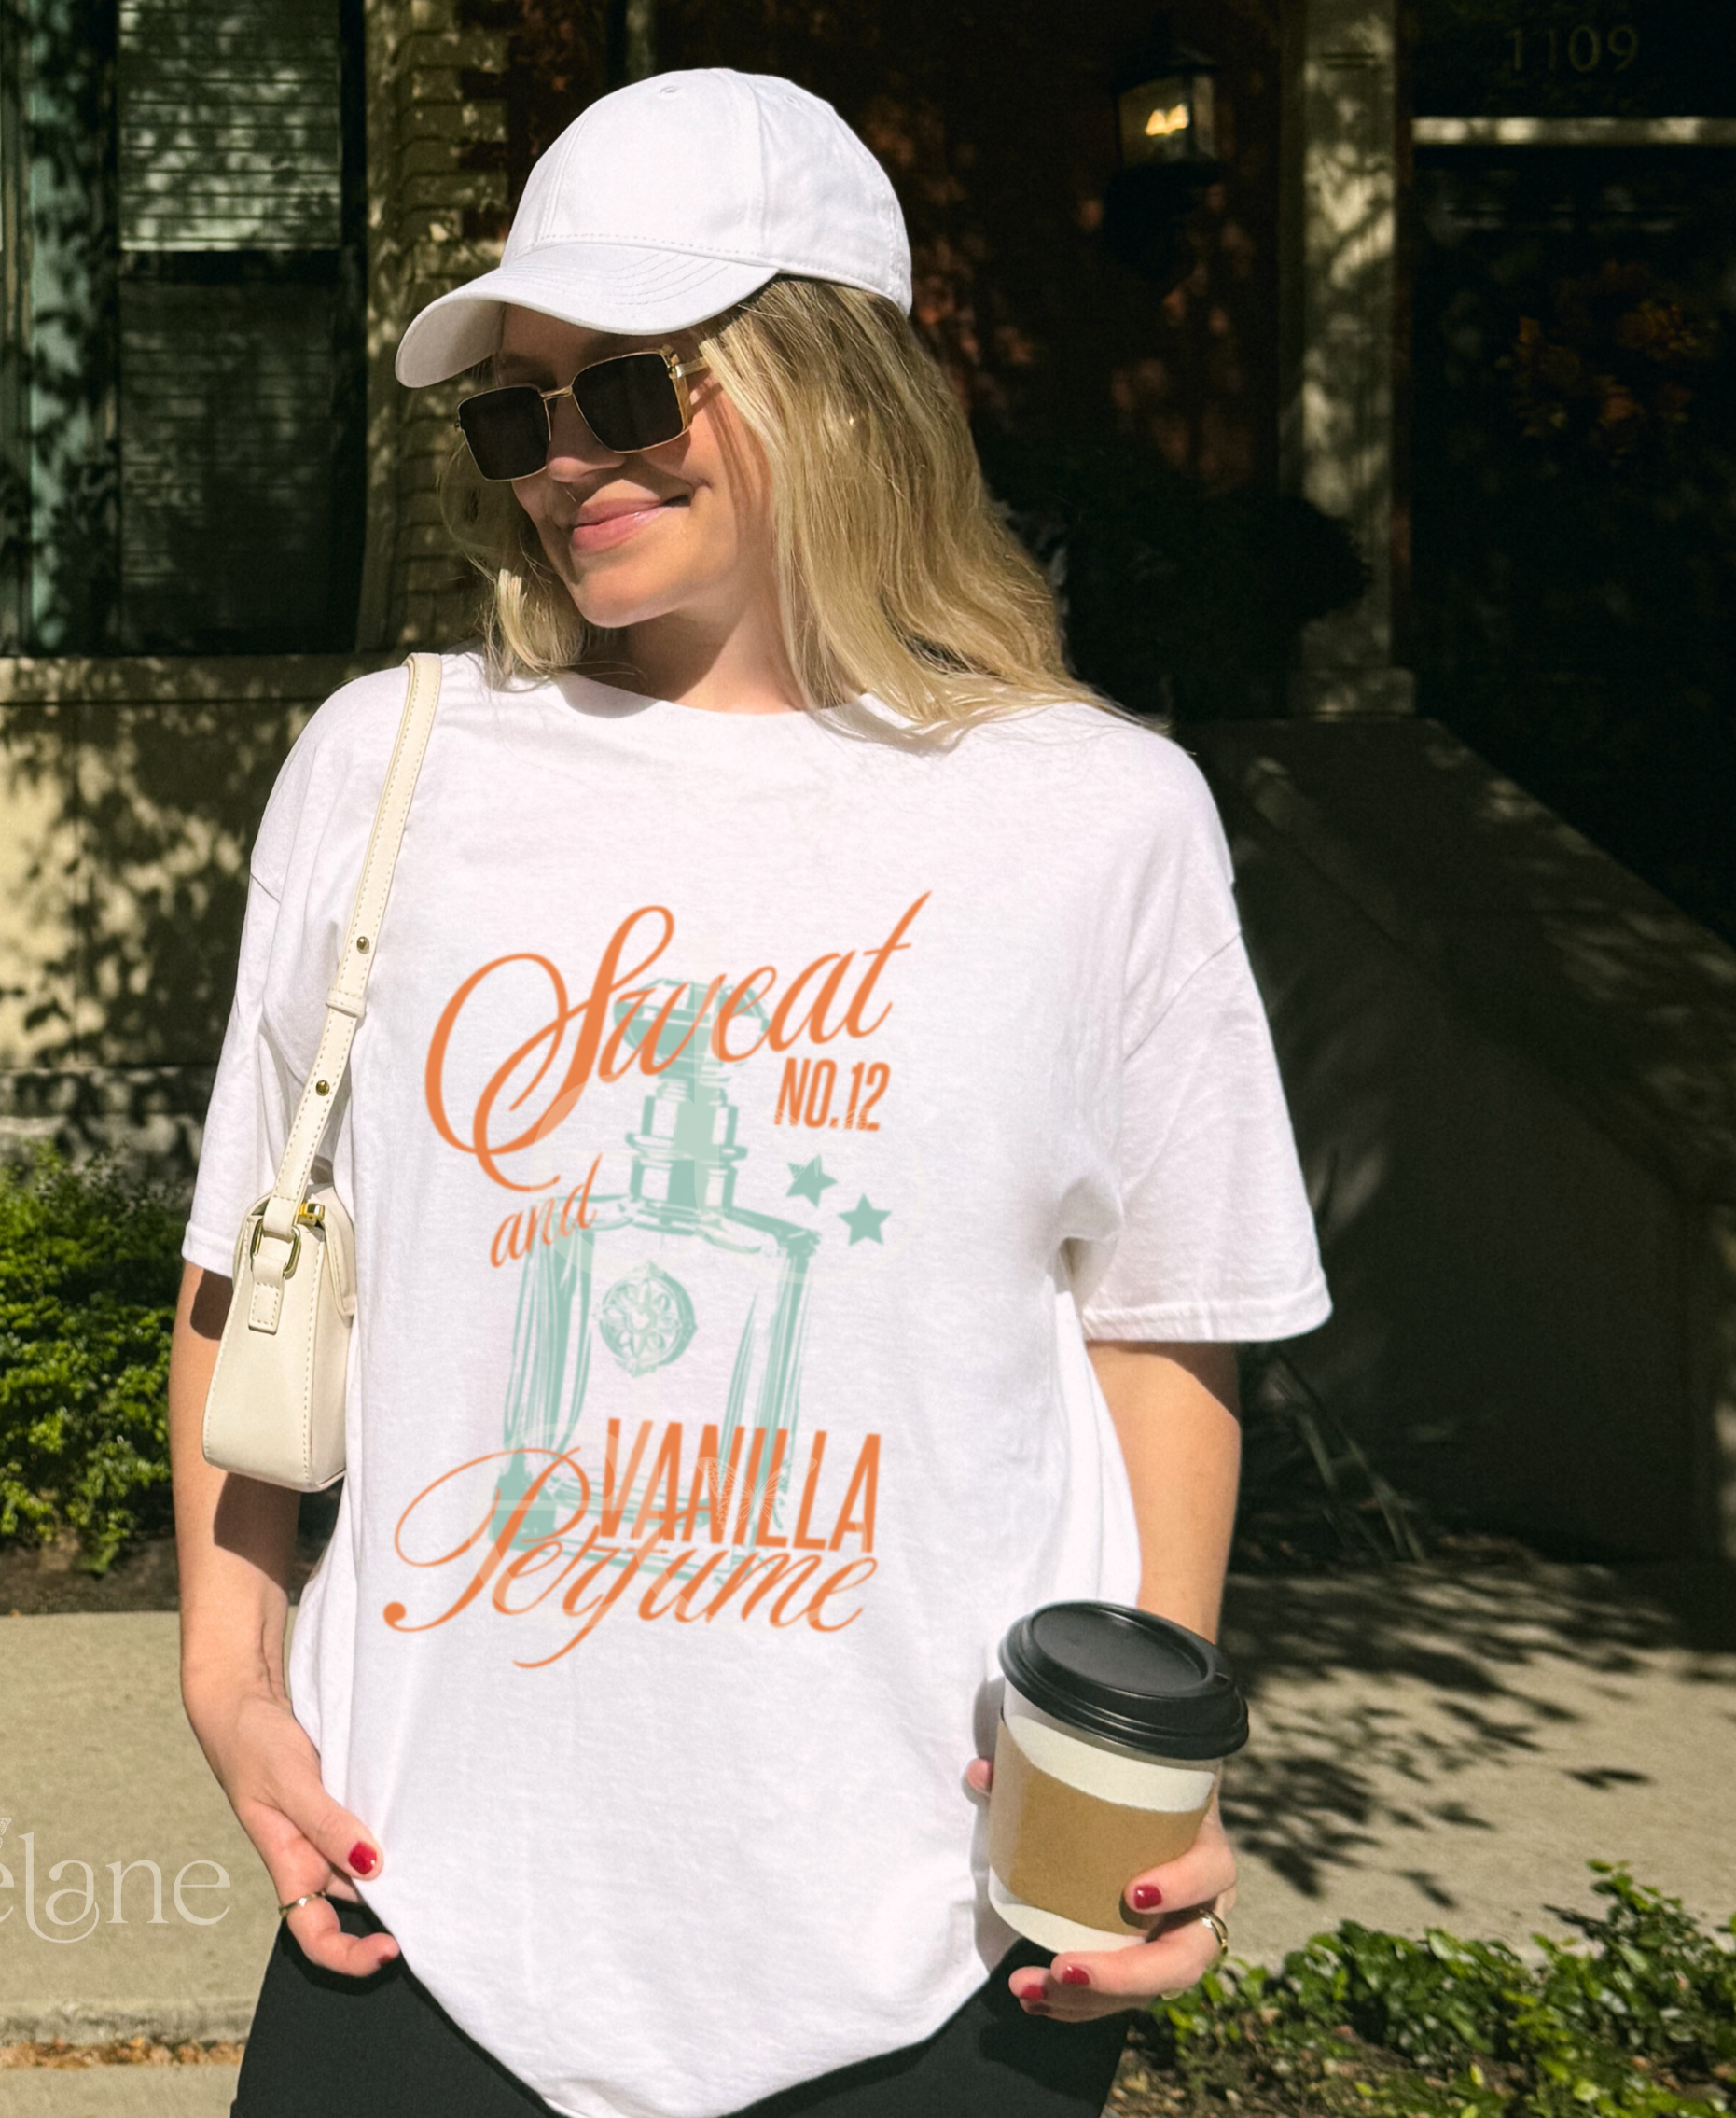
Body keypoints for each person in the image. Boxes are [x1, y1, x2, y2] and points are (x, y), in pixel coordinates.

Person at [171, 67, 1329, 2118]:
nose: (562, 465)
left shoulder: (1092, 816)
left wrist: (1138, 1797)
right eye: (517, 413)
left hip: (927, 1949)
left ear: (833, 384)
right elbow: (247, 1256)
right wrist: (227, 1666)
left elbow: (1163, 1333)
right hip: (425, 1919)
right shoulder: (389, 766)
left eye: (629, 392)